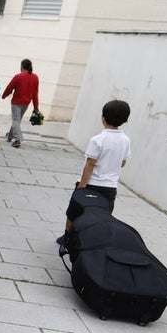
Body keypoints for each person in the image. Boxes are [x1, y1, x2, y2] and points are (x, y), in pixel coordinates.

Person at [63, 99, 131, 235]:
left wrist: (81, 187)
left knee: (73, 213)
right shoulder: (125, 140)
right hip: (110, 187)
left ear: (103, 118)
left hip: (91, 185)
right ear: (125, 120)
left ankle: (68, 238)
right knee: (101, 216)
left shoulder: (98, 139)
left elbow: (90, 164)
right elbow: (122, 163)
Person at [0, 58, 39, 148]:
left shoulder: (18, 76)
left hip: (16, 102)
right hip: (26, 103)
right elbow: (35, 93)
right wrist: (36, 106)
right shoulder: (35, 77)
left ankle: (17, 139)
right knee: (17, 120)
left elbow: (9, 87)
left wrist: (4, 95)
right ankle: (10, 136)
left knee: (16, 120)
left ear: (22, 66)